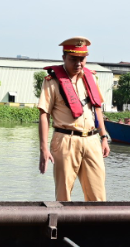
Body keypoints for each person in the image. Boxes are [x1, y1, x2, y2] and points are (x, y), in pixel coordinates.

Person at [38, 37, 110, 201]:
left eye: (82, 59)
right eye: (73, 59)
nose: (78, 63)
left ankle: (96, 219)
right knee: (63, 195)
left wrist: (104, 137)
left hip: (92, 140)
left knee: (98, 196)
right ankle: (62, 219)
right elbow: (44, 114)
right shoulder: (52, 81)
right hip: (65, 140)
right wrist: (43, 148)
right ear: (64, 58)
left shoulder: (91, 78)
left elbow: (97, 109)